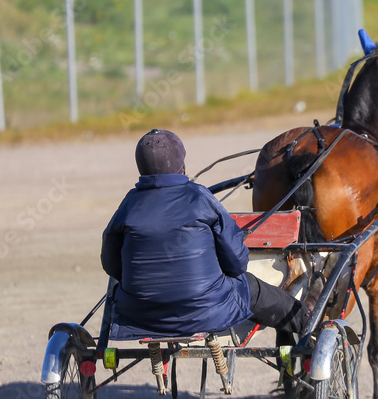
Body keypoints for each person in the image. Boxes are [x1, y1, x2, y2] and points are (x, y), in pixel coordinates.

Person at [101, 128, 312, 341]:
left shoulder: (129, 204)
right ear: (181, 165)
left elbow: (111, 265)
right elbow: (237, 263)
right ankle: (311, 326)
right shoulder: (199, 197)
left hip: (138, 314)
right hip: (205, 311)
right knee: (256, 290)